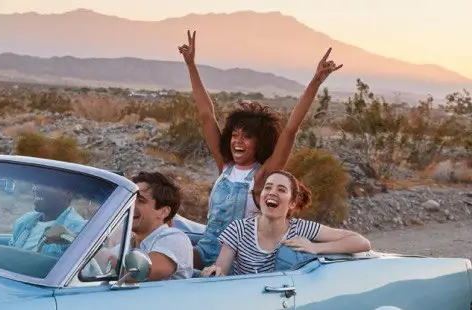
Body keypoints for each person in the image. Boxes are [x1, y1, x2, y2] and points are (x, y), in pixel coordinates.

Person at [178, 30, 344, 269]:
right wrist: (191, 65)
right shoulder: (224, 166)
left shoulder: (261, 177)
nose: (238, 141)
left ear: (261, 142)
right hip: (206, 249)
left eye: (247, 137)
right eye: (235, 134)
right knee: (170, 260)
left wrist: (316, 81)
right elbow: (206, 114)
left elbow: (290, 130)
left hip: (237, 259)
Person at [200, 170, 371, 277]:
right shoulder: (238, 229)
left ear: (292, 203)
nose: (272, 193)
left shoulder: (301, 228)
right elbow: (221, 272)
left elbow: (361, 242)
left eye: (281, 190)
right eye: (268, 188)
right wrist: (213, 273)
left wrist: (316, 248)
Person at [126, 171, 194, 281]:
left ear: (163, 212)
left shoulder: (174, 238)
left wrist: (107, 260)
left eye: (140, 201)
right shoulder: (125, 243)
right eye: (130, 199)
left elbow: (140, 272)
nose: (130, 205)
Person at [8, 186, 86, 257]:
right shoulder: (24, 221)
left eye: (47, 184)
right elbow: (10, 256)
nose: (36, 188)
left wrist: (71, 239)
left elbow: (88, 267)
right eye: (36, 183)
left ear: (68, 192)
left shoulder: (81, 229)